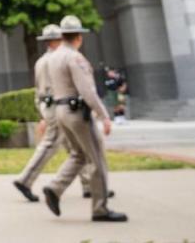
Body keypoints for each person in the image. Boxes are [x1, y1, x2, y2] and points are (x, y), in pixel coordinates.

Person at [41, 16, 127, 222]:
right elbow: (88, 91)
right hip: (77, 112)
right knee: (97, 159)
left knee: (79, 155)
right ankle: (100, 208)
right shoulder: (75, 58)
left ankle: (55, 188)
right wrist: (104, 115)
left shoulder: (53, 57)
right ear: (79, 37)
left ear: (62, 35)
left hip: (61, 111)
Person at [12, 24, 96, 203]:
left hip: (48, 105)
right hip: (58, 106)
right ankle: (25, 180)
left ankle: (89, 185)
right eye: (60, 39)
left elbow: (37, 90)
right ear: (55, 41)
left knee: (76, 148)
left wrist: (42, 111)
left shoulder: (42, 61)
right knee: (51, 144)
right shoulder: (56, 60)